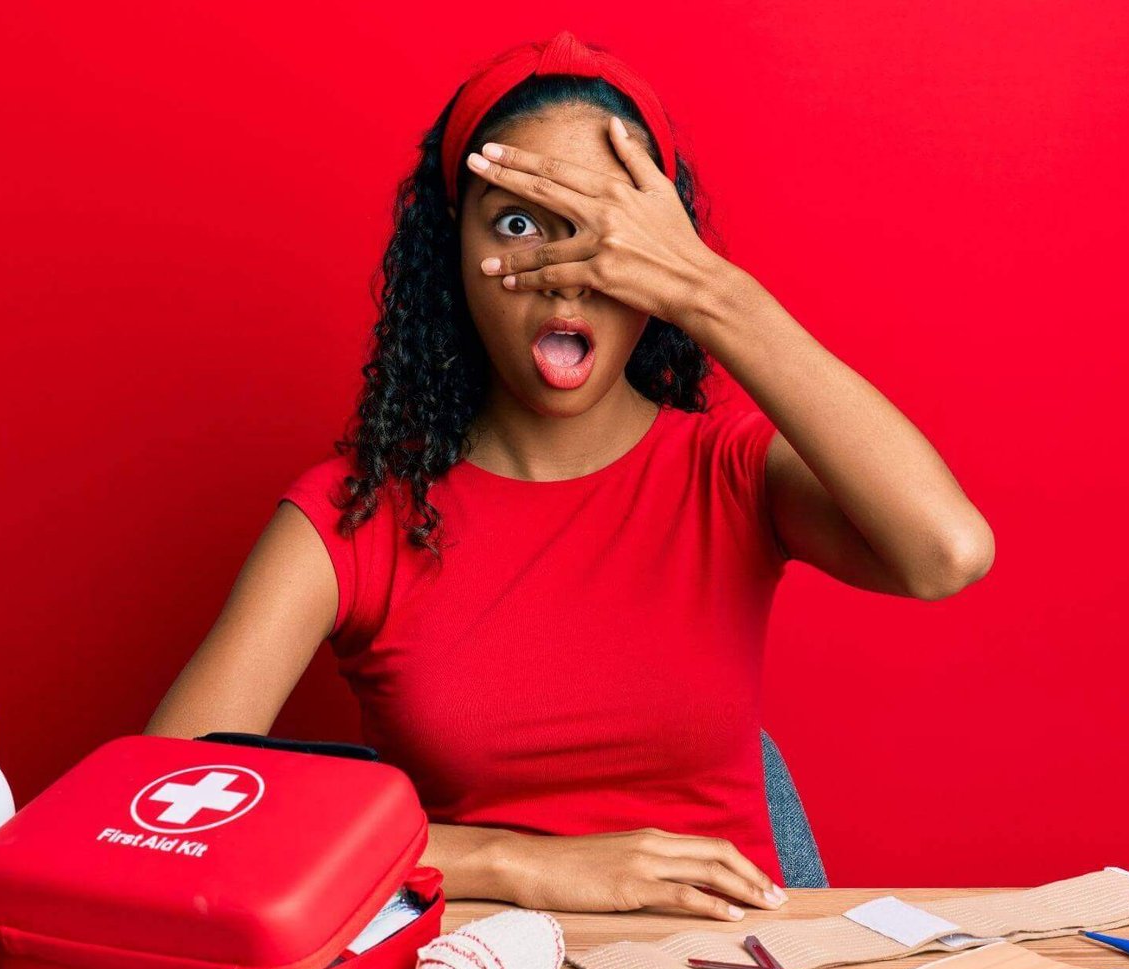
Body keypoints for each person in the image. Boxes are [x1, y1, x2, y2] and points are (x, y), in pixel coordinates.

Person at [143, 31, 993, 923]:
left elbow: (946, 552)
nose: (567, 279)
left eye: (608, 235)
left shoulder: (730, 471)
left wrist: (707, 289)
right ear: (451, 259)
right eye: (517, 225)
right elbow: (156, 805)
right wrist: (515, 864)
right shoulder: (355, 517)